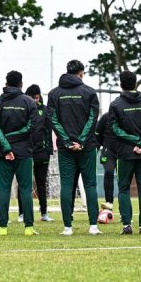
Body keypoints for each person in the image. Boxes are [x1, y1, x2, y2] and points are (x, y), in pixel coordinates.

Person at [48, 59, 101, 236]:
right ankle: (93, 226)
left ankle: (67, 227)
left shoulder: (54, 94)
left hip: (65, 149)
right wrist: (82, 141)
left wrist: (67, 141)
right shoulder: (89, 92)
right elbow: (93, 119)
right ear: (81, 73)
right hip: (87, 147)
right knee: (90, 185)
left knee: (66, 185)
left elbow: (53, 120)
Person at [110, 71, 141, 235]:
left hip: (125, 152)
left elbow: (115, 129)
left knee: (123, 188)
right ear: (135, 83)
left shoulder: (116, 104)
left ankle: (126, 225)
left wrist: (133, 140)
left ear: (121, 84)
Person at [0, 71, 39, 236]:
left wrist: (6, 144)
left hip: (3, 152)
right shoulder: (29, 102)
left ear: (6, 83)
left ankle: (3, 228)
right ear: (21, 83)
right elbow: (31, 127)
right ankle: (28, 227)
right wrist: (12, 142)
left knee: (3, 189)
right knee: (26, 189)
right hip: (24, 151)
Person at [26, 84, 54, 222]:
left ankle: (44, 213)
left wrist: (49, 149)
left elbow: (48, 131)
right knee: (24, 183)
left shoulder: (45, 110)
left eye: (37, 98)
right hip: (25, 152)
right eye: (33, 98)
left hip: (42, 152)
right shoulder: (23, 109)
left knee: (42, 183)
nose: (35, 101)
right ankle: (22, 213)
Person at [94, 111, 117, 212]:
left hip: (123, 151)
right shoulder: (105, 117)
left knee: (124, 179)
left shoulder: (125, 114)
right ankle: (109, 203)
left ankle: (124, 211)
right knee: (108, 172)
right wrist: (100, 146)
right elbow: (97, 133)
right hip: (108, 151)